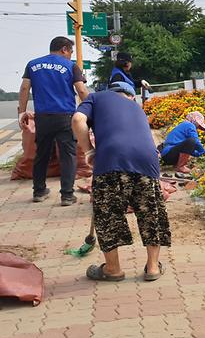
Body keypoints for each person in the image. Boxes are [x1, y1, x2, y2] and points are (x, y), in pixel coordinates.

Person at [72, 82, 171, 282]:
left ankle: (113, 269)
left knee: (108, 214)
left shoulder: (96, 97)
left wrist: (89, 151)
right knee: (150, 213)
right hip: (147, 161)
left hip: (111, 159)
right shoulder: (138, 109)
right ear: (131, 96)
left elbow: (77, 120)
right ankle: (152, 268)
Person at [18, 36, 90, 205]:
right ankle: (66, 195)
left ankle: (39, 191)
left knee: (42, 154)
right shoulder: (71, 66)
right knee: (67, 155)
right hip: (65, 117)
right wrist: (91, 111)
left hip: (43, 118)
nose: (71, 55)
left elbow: (24, 88)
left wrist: (22, 112)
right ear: (64, 49)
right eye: (71, 51)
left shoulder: (32, 65)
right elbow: (81, 90)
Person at [159, 111, 205, 176]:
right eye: (198, 126)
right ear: (195, 121)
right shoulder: (189, 125)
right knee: (192, 141)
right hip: (168, 154)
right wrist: (204, 152)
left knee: (191, 142)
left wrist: (198, 154)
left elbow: (187, 149)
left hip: (168, 155)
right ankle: (180, 166)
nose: (197, 128)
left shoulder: (183, 125)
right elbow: (195, 141)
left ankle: (178, 165)